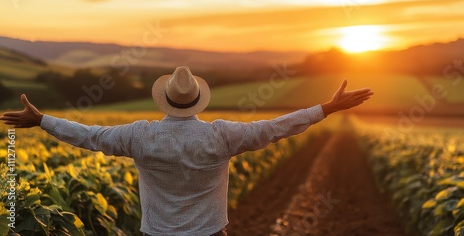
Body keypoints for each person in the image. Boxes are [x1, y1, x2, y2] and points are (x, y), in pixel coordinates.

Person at [0, 66, 373, 236]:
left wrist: (43, 120)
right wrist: (326, 108)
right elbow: (273, 130)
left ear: (165, 102)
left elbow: (90, 136)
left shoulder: (139, 137)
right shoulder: (222, 137)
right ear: (197, 101)